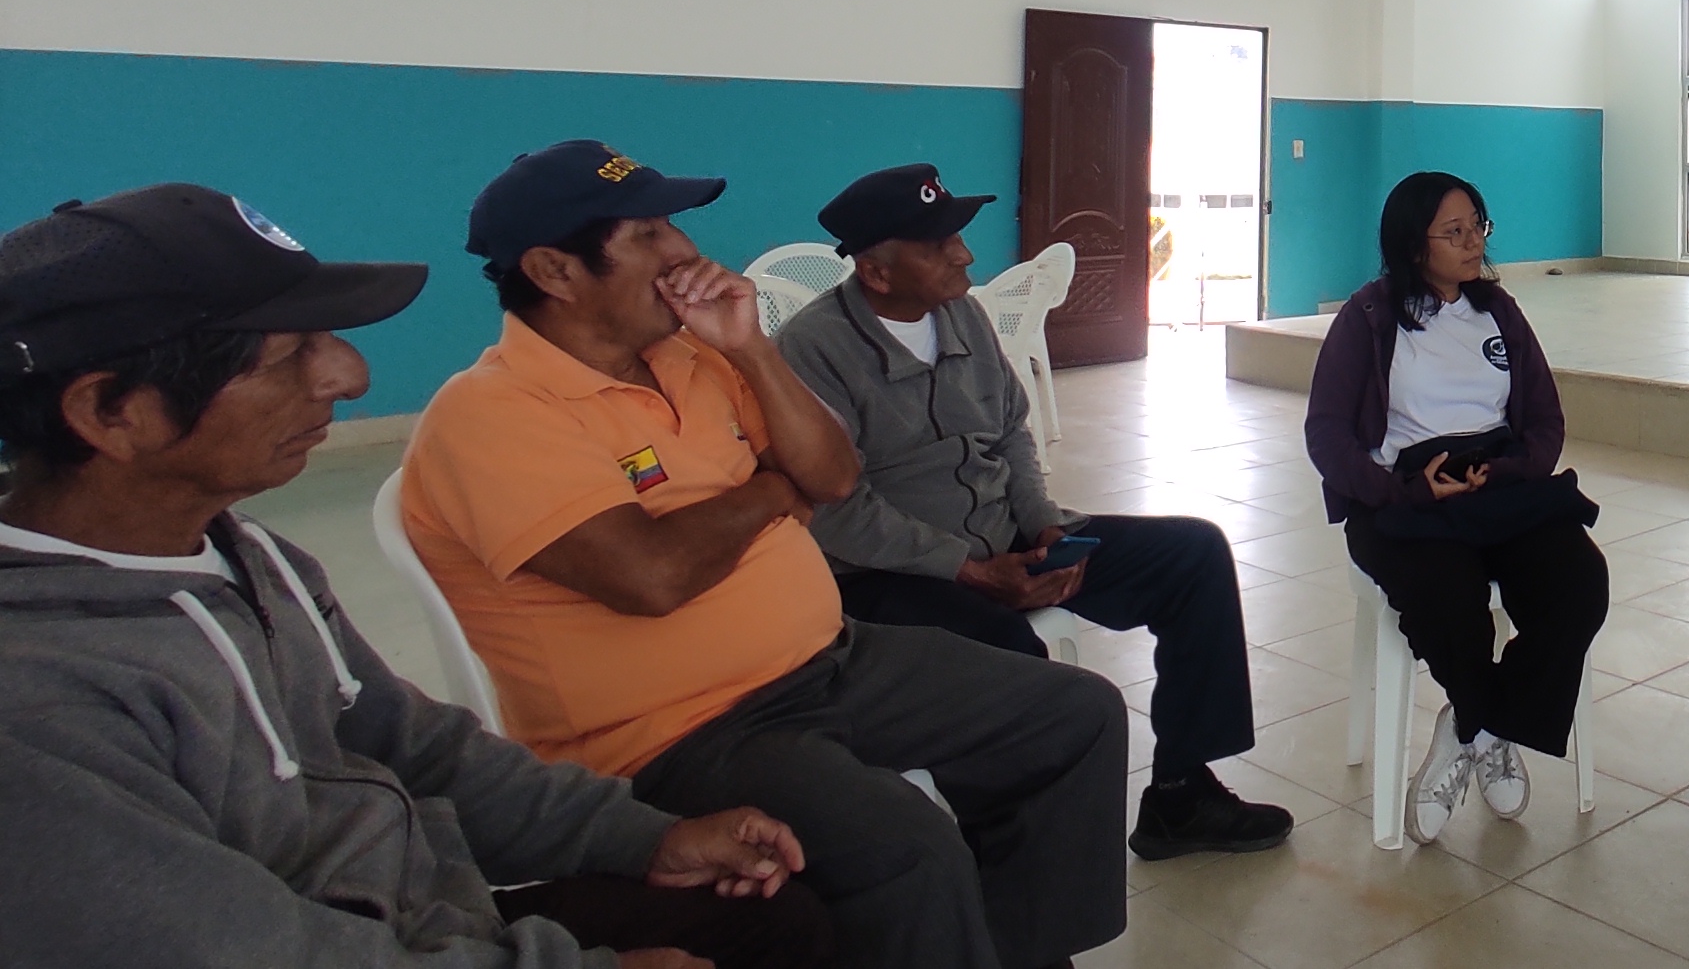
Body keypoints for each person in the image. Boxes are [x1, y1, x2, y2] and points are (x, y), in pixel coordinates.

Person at [0, 183, 831, 969]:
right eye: (289, 356)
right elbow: (238, 950)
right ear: (111, 412)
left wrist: (641, 837)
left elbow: (413, 745)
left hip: (423, 909)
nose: (349, 376)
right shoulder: (39, 704)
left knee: (777, 916)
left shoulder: (242, 552)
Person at [398, 141, 1129, 969]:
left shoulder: (697, 357)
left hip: (828, 659)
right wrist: (771, 493)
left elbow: (834, 476)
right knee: (909, 849)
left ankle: (1015, 952)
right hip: (677, 734)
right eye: (648, 233)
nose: (683, 249)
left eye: (673, 225)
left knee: (1076, 715)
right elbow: (652, 575)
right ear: (554, 271)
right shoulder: (491, 413)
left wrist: (751, 348)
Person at [775, 162, 1290, 860]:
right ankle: (1009, 856)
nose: (965, 255)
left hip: (1003, 536)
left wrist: (1045, 523)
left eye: (958, 236)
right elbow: (836, 509)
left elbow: (1011, 430)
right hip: (889, 576)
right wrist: (969, 571)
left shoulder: (960, 313)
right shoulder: (812, 350)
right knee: (1011, 657)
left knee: (1191, 554)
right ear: (876, 272)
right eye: (939, 245)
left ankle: (1181, 794)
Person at [1304, 171, 1608, 845]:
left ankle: (1478, 724)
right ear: (1415, 245)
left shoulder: (1498, 311)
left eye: (1478, 226)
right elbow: (1325, 434)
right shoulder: (1369, 316)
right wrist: (1400, 489)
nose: (1475, 242)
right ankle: (1484, 724)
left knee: (1579, 581)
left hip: (1499, 483)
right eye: (1455, 231)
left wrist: (1506, 469)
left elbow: (1545, 422)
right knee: (1447, 597)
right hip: (1406, 495)